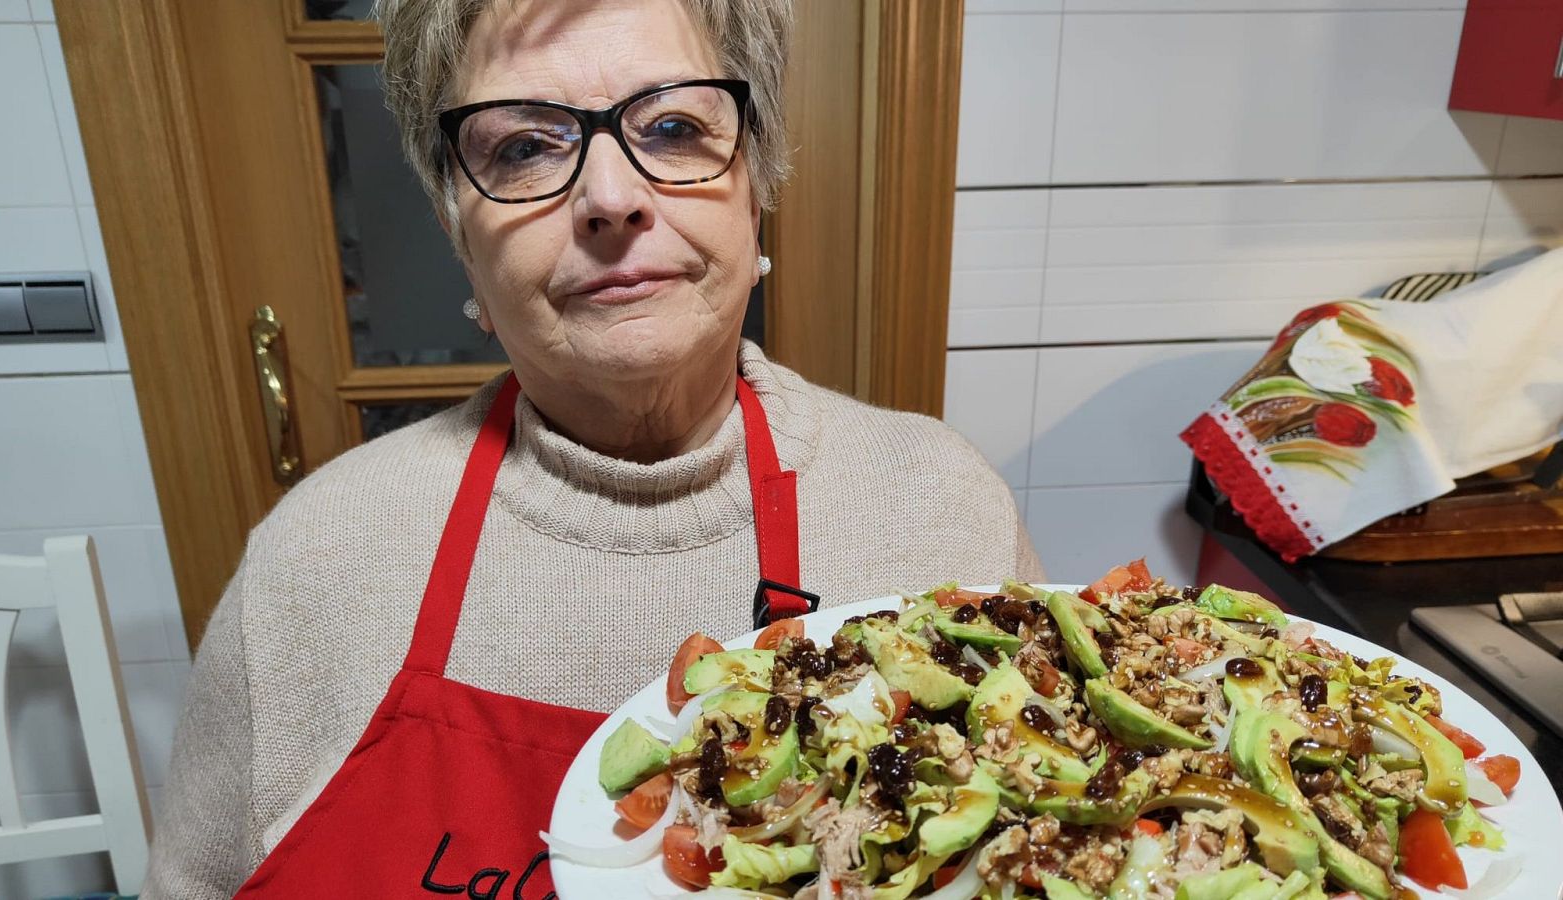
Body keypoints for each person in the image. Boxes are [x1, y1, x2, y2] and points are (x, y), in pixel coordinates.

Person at [141, 0, 1041, 895]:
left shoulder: (942, 509)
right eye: (524, 148)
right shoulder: (315, 563)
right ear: (457, 230)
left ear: (757, 182)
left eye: (675, 128)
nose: (610, 199)